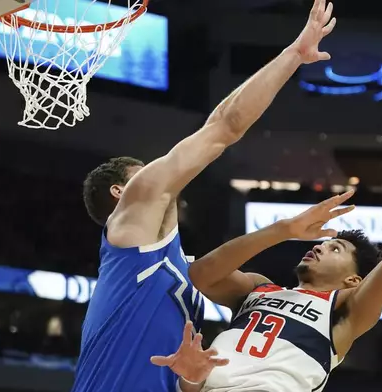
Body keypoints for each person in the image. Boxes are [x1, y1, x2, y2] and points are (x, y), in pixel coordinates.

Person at [71, 1, 338, 391]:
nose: (158, 170)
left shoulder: (176, 263)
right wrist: (293, 55)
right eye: (143, 168)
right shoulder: (132, 222)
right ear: (120, 190)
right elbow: (223, 127)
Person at [152, 114, 382, 392]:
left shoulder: (345, 311)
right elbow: (201, 274)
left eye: (335, 248)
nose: (319, 246)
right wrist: (283, 230)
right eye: (324, 242)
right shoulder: (259, 289)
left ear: (353, 278)